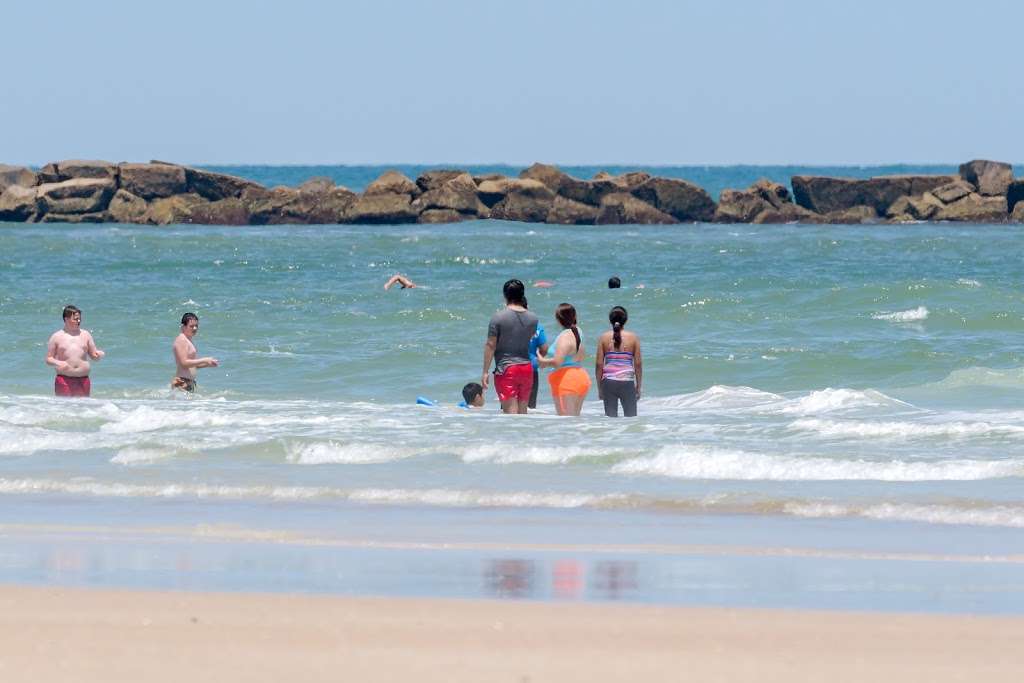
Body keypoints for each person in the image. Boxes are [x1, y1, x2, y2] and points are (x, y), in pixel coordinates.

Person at [482, 279, 538, 414]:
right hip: (527, 368)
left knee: (511, 415)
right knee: (523, 412)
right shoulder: (533, 318)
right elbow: (528, 339)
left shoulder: (498, 317)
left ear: (505, 295)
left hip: (507, 369)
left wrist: (485, 371)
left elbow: (491, 345)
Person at [538, 303, 591, 416]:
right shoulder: (578, 331)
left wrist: (542, 361)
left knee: (567, 422)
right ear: (575, 316)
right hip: (580, 376)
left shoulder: (564, 337)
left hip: (566, 380)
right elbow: (579, 355)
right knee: (575, 420)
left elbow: (557, 362)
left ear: (558, 319)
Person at [45, 305, 104, 398]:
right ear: (66, 319)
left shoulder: (86, 334)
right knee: (64, 408)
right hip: (64, 380)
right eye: (75, 319)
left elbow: (94, 356)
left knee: (83, 408)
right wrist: (59, 363)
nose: (78, 321)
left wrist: (99, 355)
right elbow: (48, 359)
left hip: (84, 380)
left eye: (79, 319)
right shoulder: (57, 336)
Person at [595, 306, 642, 417]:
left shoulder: (603, 337)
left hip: (608, 383)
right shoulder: (633, 337)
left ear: (610, 320)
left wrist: (599, 387)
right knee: (631, 420)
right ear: (625, 320)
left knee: (611, 421)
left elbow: (599, 364)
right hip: (627, 382)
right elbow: (638, 364)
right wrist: (638, 387)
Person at [172, 313, 218, 392]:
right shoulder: (182, 340)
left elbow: (192, 366)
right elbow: (184, 363)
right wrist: (204, 360)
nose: (195, 328)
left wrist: (207, 364)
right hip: (182, 382)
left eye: (196, 326)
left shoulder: (188, 340)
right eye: (191, 326)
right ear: (183, 327)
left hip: (188, 382)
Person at [524, 298, 549, 410]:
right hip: (531, 367)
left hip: (511, 366)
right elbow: (544, 348)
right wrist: (540, 359)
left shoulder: (507, 323)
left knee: (509, 406)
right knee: (530, 406)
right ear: (527, 307)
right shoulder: (536, 325)